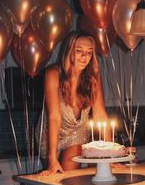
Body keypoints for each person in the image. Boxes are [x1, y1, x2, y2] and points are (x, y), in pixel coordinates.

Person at [39, 30, 110, 175]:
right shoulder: (53, 74)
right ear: (69, 51)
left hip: (78, 132)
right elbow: (54, 117)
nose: (85, 57)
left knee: (67, 173)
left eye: (89, 52)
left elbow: (101, 115)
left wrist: (109, 156)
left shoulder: (93, 78)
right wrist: (52, 158)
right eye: (79, 51)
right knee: (53, 175)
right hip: (51, 133)